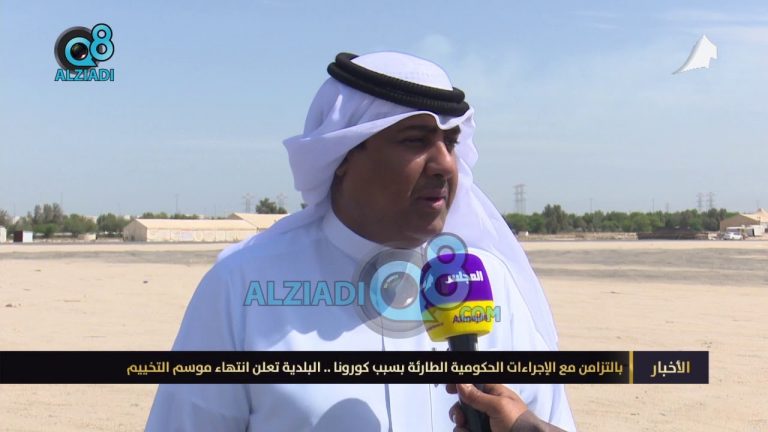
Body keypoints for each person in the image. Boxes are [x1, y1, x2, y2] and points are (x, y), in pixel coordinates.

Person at [146, 51, 576, 431]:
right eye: (415, 141)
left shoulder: (490, 283)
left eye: (450, 142)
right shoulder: (242, 286)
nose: (445, 164)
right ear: (342, 155)